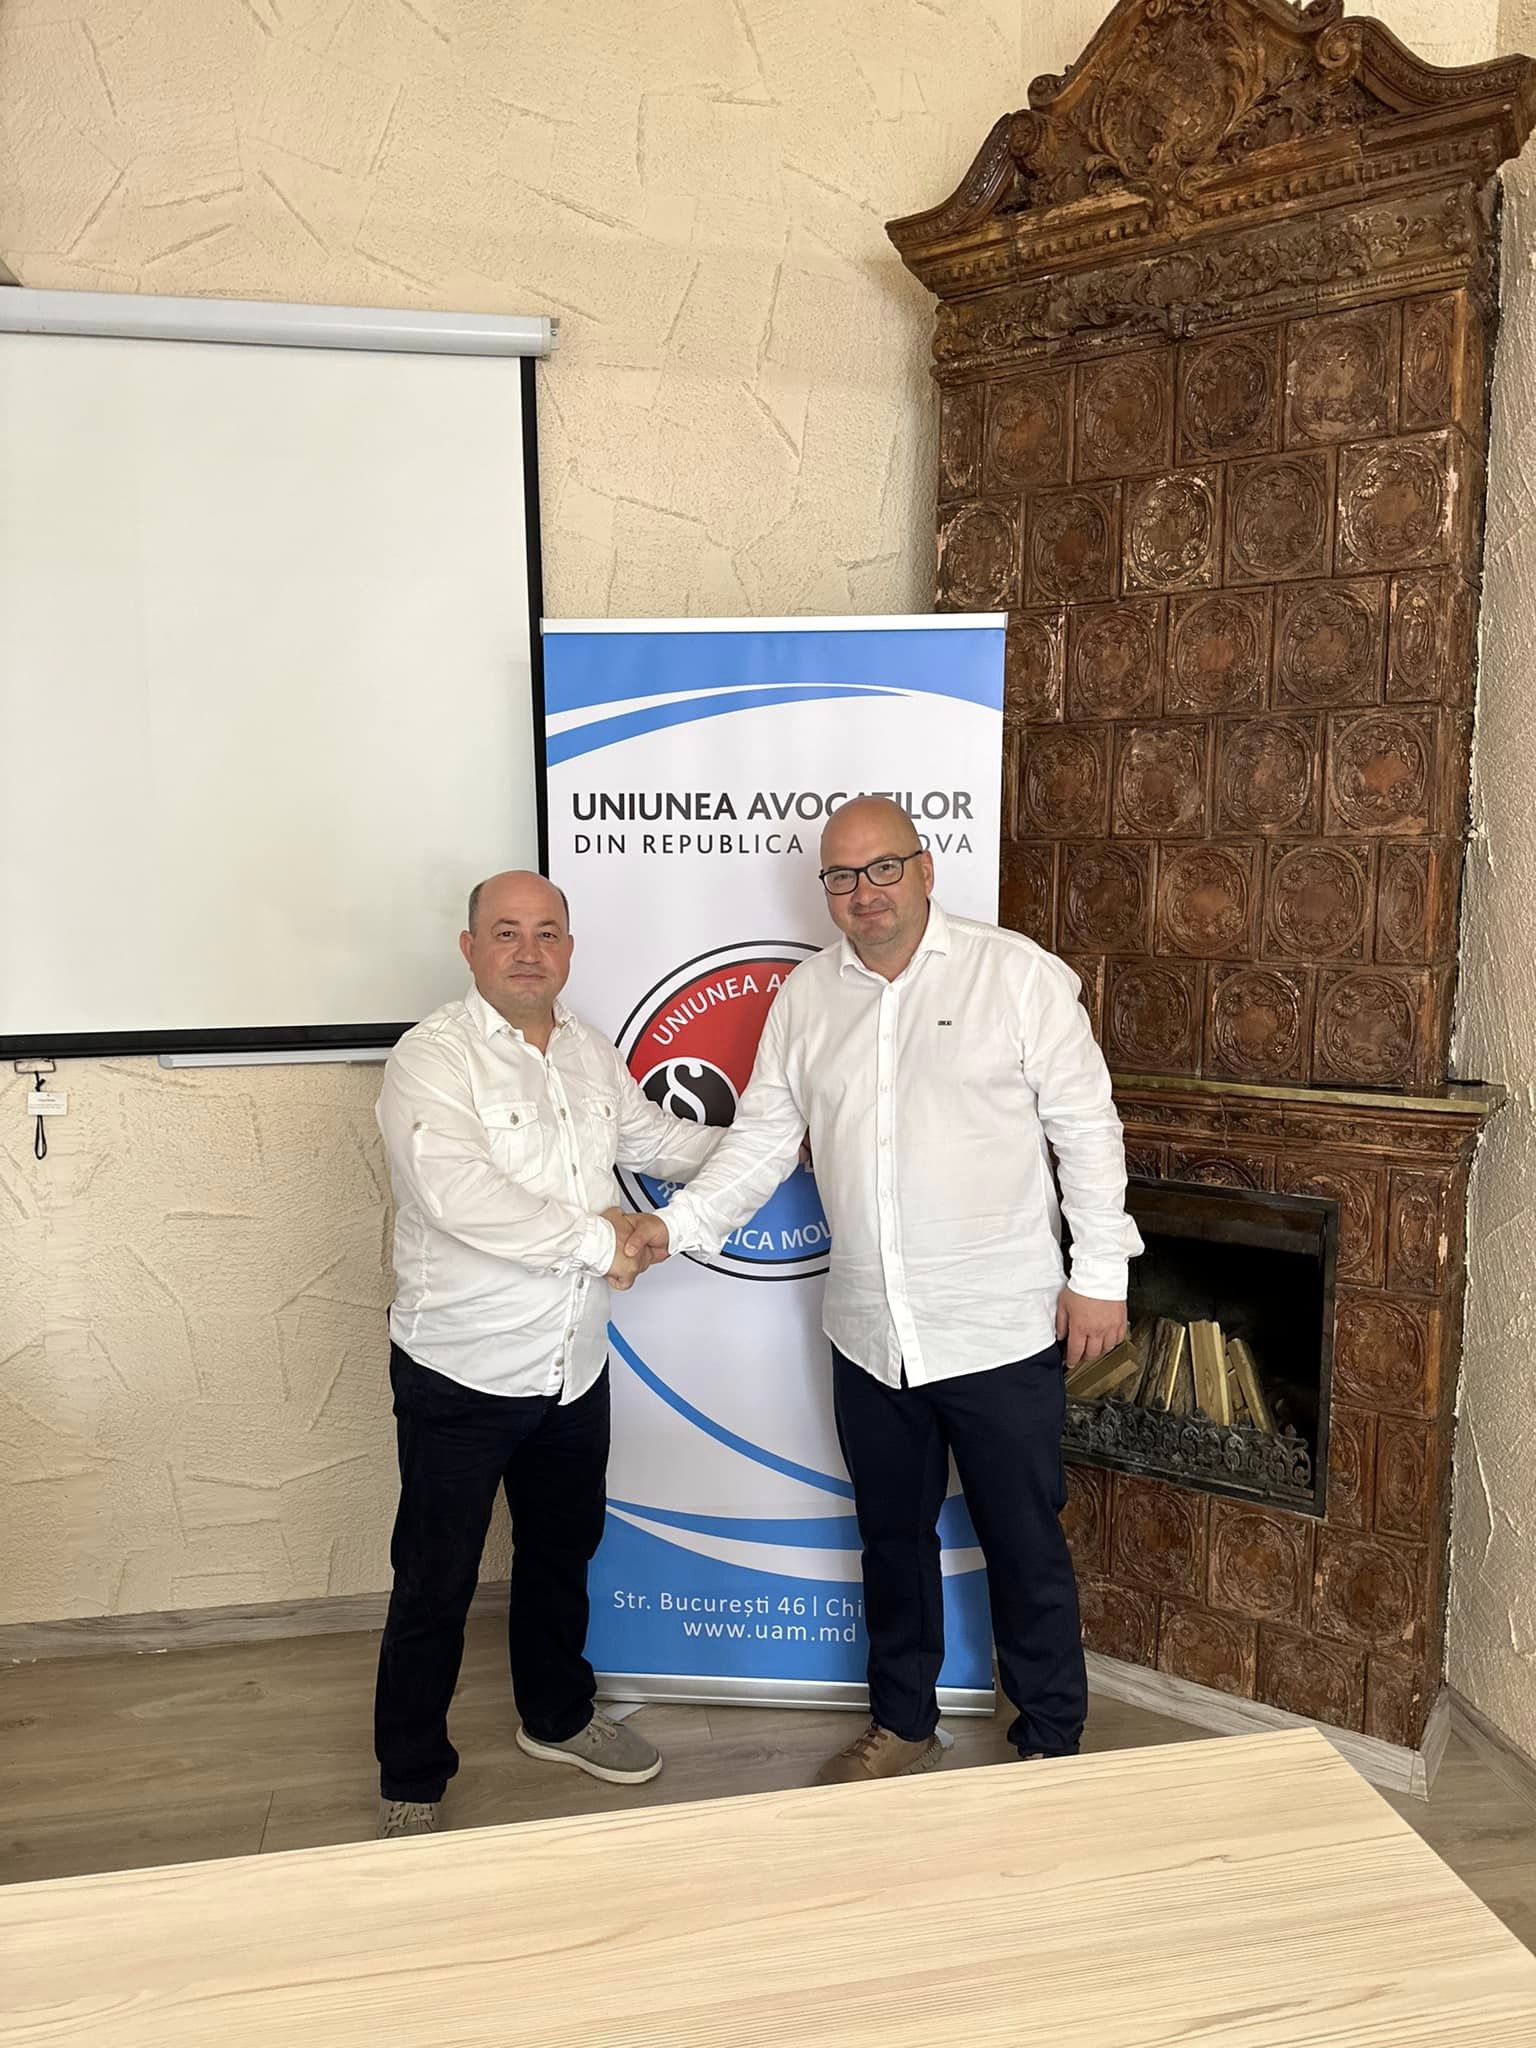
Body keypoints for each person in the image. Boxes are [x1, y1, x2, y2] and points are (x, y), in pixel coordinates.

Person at [624, 799, 1141, 1783]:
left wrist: (1100, 1276)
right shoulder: (806, 998)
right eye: (841, 876)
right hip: (870, 1333)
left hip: (998, 1325)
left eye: (882, 868)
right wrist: (672, 1228)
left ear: (926, 869)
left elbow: (1087, 1130)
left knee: (1024, 1544)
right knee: (890, 1542)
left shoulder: (1015, 974)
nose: (864, 893)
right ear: (825, 889)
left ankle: (1050, 1744)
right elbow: (760, 1145)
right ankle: (904, 1722)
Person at [371, 869, 721, 1838]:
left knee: (562, 1554)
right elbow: (460, 1197)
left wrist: (772, 1145)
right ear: (470, 947)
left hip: (575, 1365)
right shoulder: (430, 1058)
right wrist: (603, 1241)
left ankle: (557, 1717)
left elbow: (658, 1140)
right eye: (506, 932)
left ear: (568, 947)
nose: (529, 951)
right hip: (461, 1370)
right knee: (434, 1578)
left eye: (547, 932)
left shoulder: (587, 1050)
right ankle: (411, 1774)